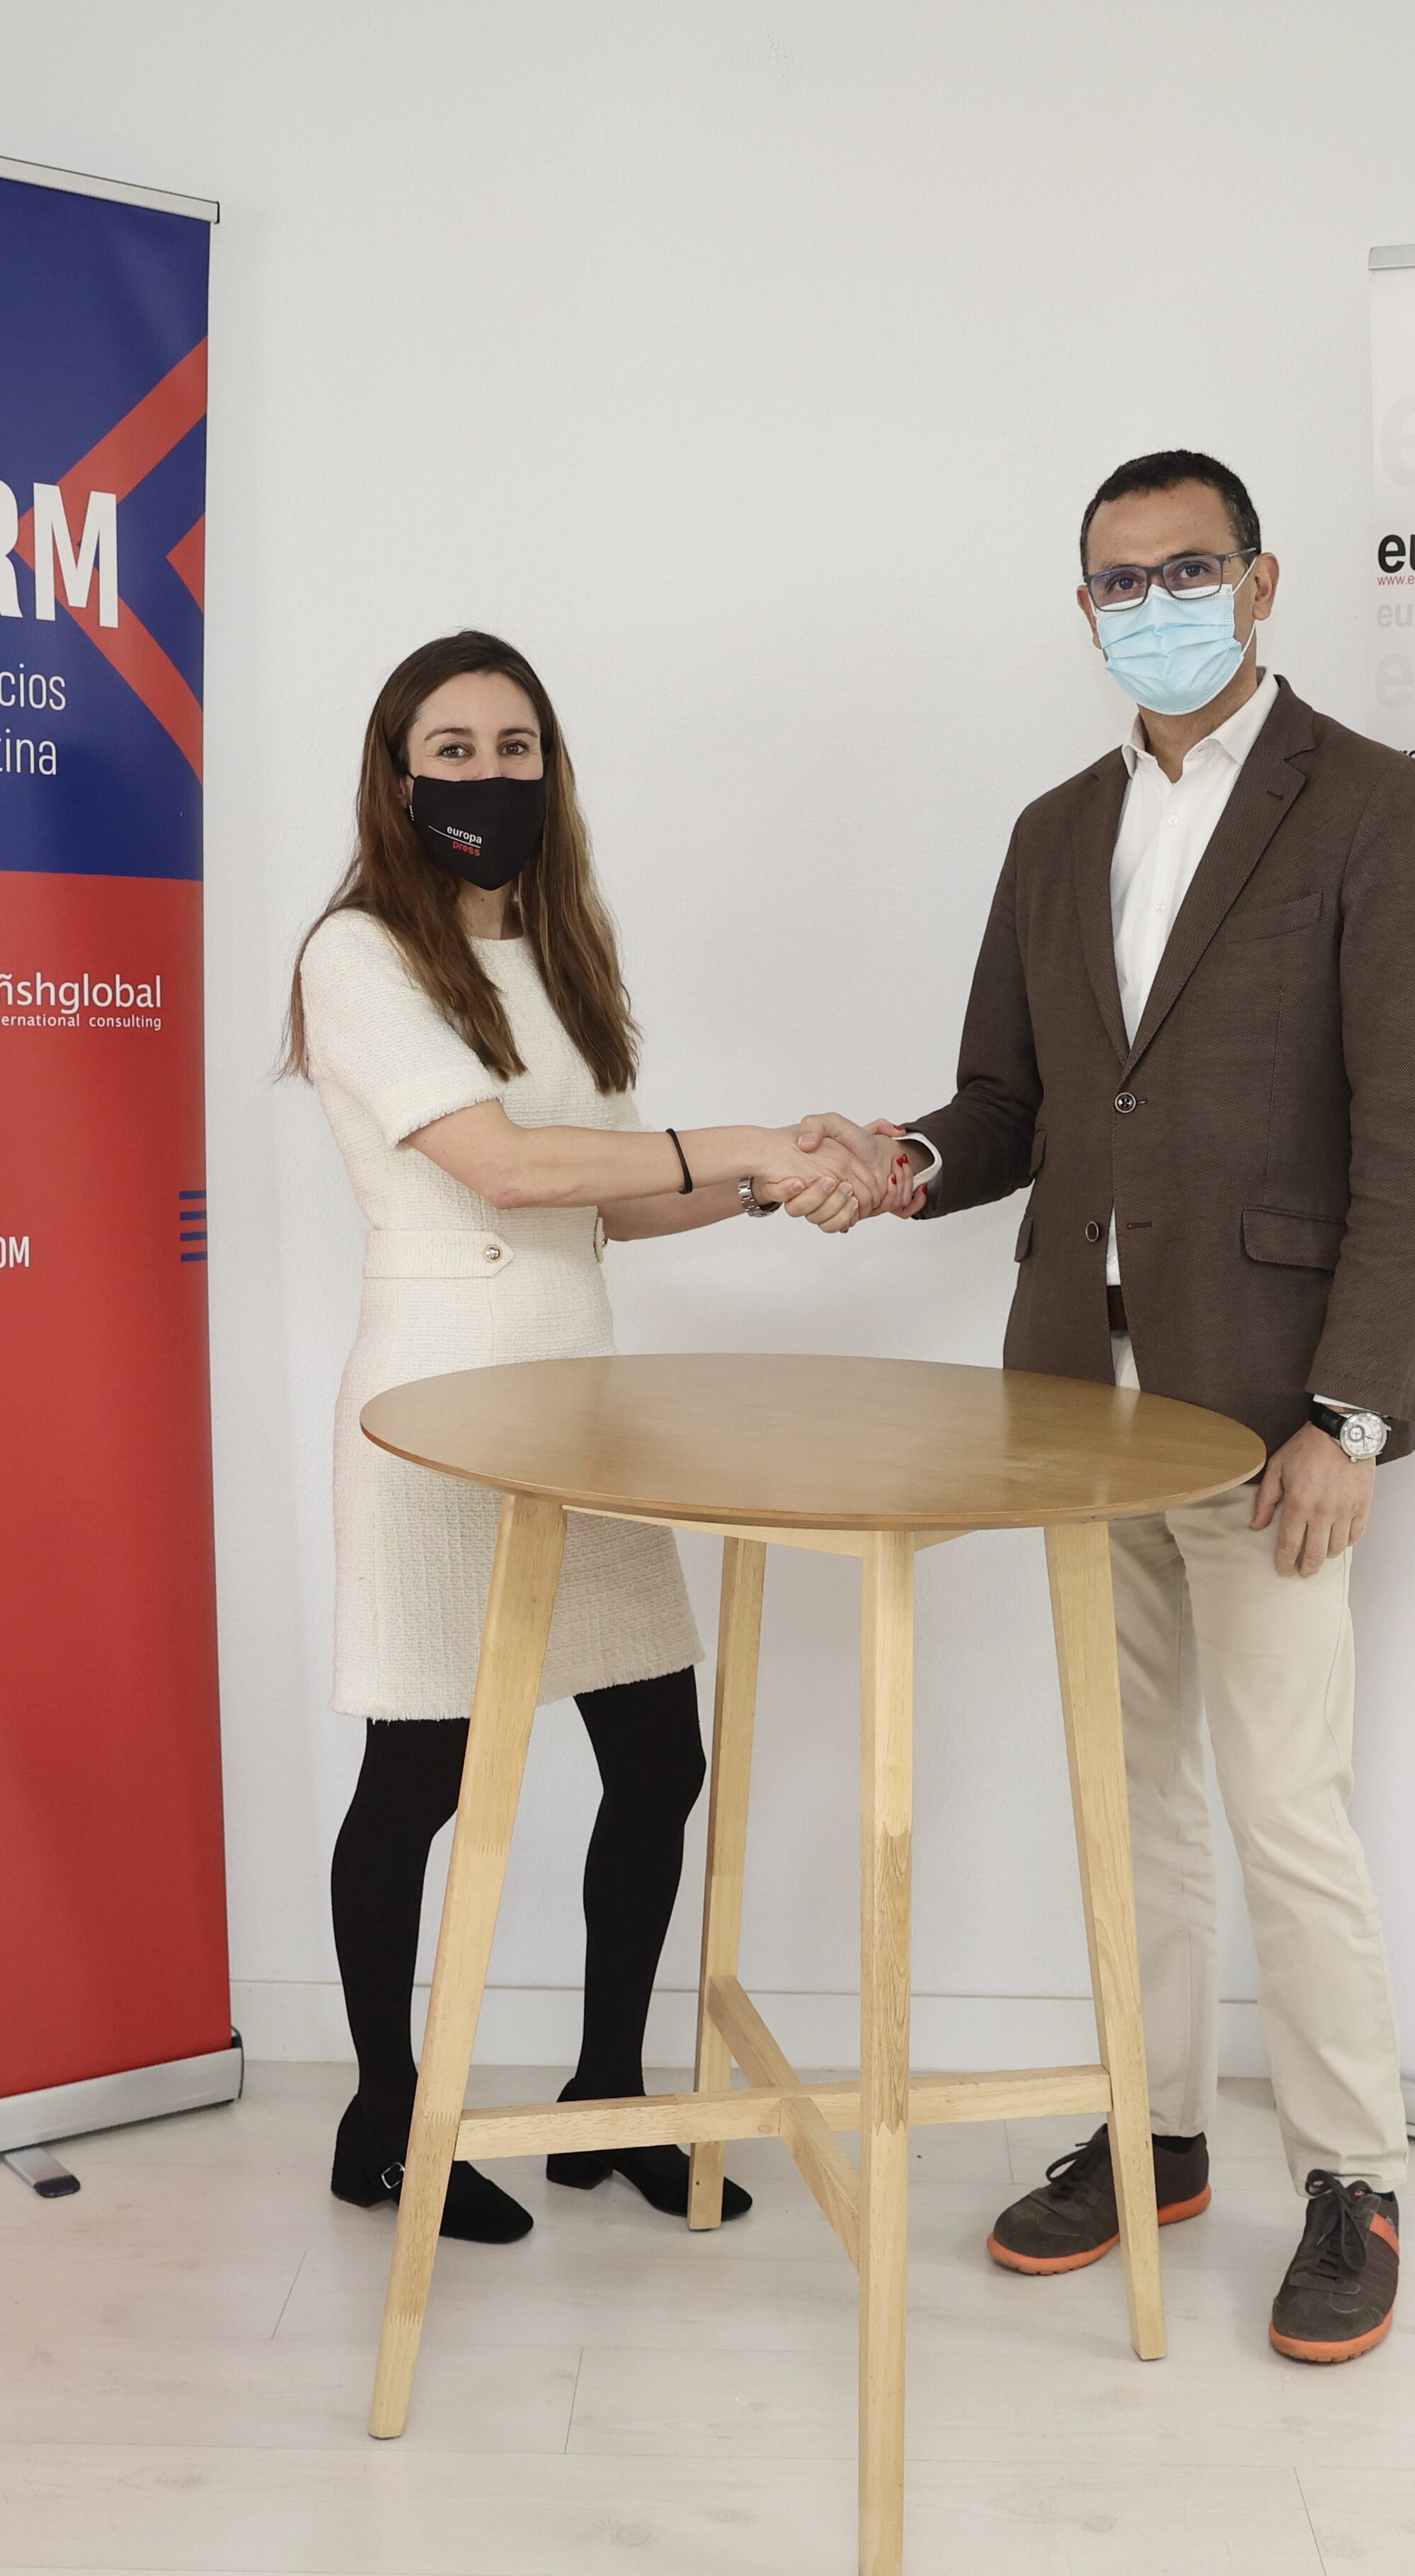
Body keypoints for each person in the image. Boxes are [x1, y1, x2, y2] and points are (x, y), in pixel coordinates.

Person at [806, 452, 1415, 2363]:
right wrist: (903, 1163)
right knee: (1128, 1806)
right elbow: (1012, 1105)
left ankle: (1352, 2180)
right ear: (1085, 607)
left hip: (1271, 1419)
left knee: (1285, 1808)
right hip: (1075, 1414)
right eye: (1120, 580)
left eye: (1190, 569)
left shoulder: (1373, 810)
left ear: (1260, 583)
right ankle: (1154, 2134)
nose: (1155, 602)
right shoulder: (1052, 832)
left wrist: (1352, 1415)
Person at [283, 629, 888, 2244]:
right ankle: (382, 2120)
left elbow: (604, 1201)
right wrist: (743, 1136)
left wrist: (778, 1177)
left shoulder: (557, 957)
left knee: (655, 1759)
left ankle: (602, 2101)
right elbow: (504, 1169)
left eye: (516, 748)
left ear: (550, 769)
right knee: (418, 1774)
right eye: (453, 749)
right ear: (395, 773)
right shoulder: (357, 953)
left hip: (576, 1399)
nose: (488, 776)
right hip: (437, 1406)